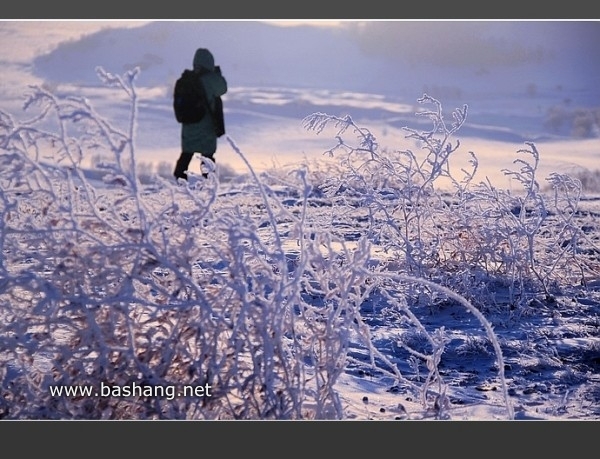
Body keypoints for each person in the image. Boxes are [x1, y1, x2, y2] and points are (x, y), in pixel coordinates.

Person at [173, 48, 228, 181]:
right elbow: (223, 88)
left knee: (187, 153)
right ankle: (210, 182)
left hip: (189, 125)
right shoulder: (210, 80)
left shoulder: (187, 80)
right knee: (207, 156)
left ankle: (180, 178)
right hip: (206, 126)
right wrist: (217, 74)